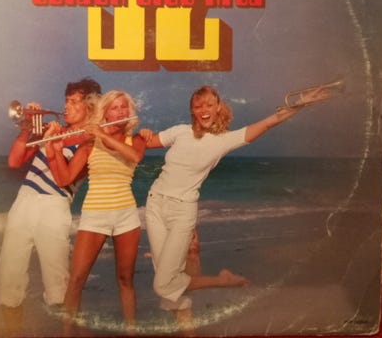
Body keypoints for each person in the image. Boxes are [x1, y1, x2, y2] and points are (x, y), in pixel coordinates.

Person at [139, 84, 329, 328]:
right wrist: (142, 133)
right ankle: (188, 332)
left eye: (209, 105)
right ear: (192, 110)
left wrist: (301, 103)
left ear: (218, 107)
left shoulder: (224, 140)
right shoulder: (179, 132)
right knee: (168, 281)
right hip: (154, 204)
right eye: (198, 106)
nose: (204, 110)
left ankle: (223, 280)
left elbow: (269, 122)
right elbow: (142, 143)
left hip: (182, 211)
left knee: (164, 283)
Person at [0, 78, 101, 335]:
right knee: (9, 277)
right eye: (66, 100)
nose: (66, 107)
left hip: (55, 207)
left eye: (74, 102)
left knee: (59, 286)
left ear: (89, 107)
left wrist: (53, 144)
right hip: (24, 201)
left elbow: (64, 179)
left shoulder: (89, 144)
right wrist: (27, 128)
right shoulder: (50, 131)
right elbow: (14, 161)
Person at [45, 90, 146, 330]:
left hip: (126, 216)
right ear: (105, 113)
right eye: (114, 108)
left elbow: (134, 156)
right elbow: (64, 179)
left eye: (124, 107)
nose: (120, 112)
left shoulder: (136, 139)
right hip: (94, 216)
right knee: (76, 280)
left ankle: (131, 332)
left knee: (125, 280)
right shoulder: (90, 143)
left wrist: (100, 132)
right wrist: (55, 150)